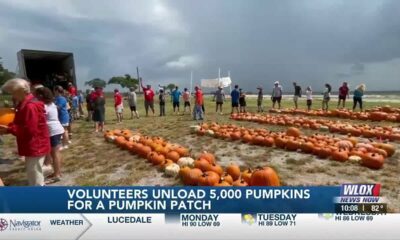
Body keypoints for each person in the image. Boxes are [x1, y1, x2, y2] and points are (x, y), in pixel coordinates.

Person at [0, 78, 50, 186]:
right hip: (36, 144)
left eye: (13, 93)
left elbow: (29, 130)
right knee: (35, 173)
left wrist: (9, 129)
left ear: (21, 91)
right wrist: (9, 127)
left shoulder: (30, 106)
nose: (13, 96)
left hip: (35, 145)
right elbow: (22, 123)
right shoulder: (26, 104)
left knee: (35, 178)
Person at [34, 87, 64, 183]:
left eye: (37, 95)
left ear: (41, 95)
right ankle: (57, 171)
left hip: (52, 131)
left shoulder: (44, 106)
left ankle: (57, 174)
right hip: (56, 129)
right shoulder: (52, 104)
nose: (35, 97)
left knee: (54, 153)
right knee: (55, 152)